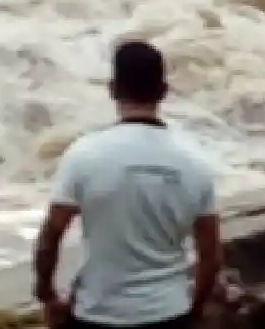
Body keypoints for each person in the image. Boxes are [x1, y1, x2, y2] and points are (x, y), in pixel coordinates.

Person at [33, 40, 223, 329]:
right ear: (163, 92)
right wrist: (193, 310)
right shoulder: (194, 161)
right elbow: (211, 256)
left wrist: (47, 294)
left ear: (112, 89)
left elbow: (51, 237)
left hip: (96, 313)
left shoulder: (84, 154)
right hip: (169, 312)